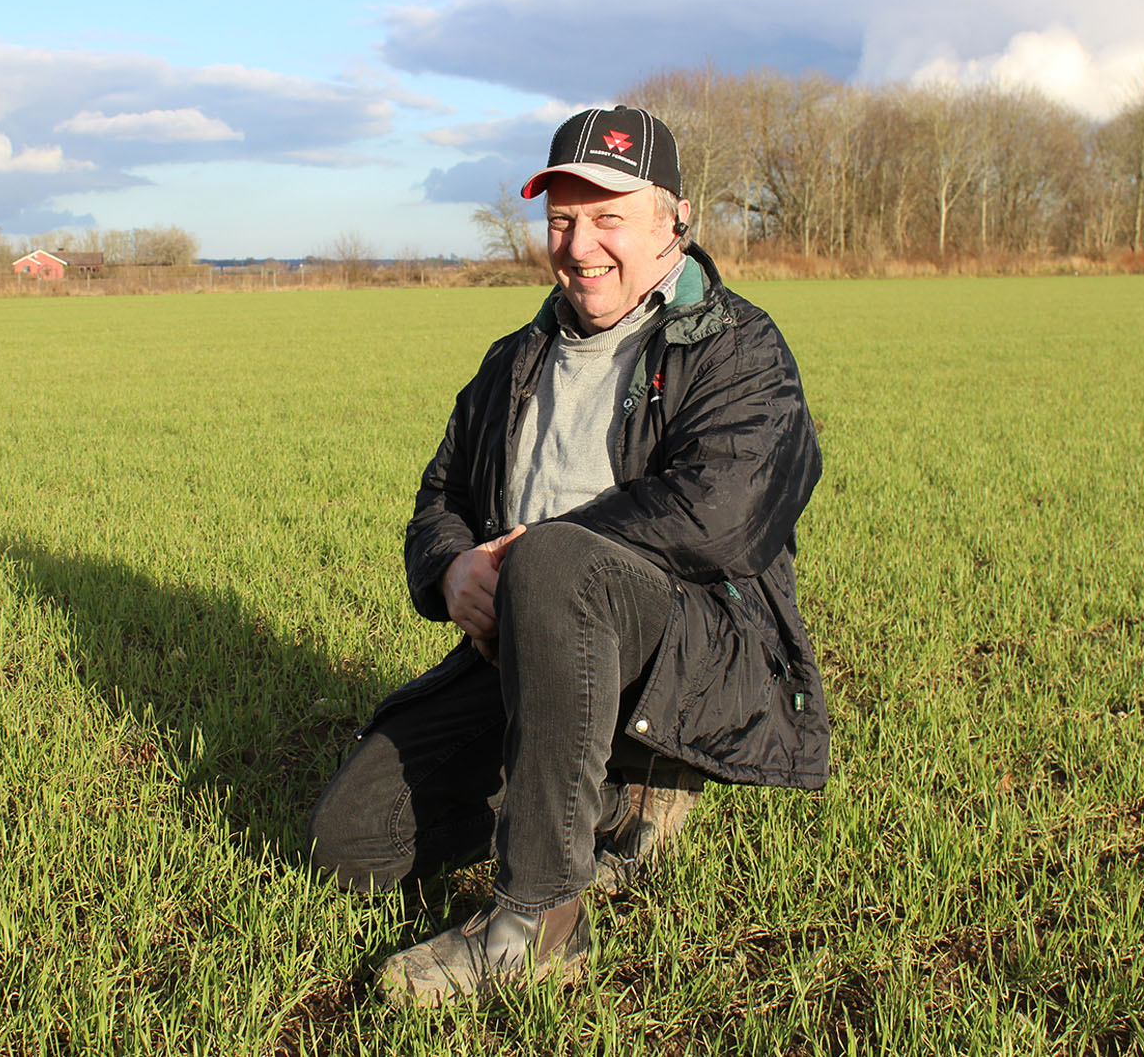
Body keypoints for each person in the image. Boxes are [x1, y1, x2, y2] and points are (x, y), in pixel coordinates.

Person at [307, 105, 828, 1007]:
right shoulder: (516, 358)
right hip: (522, 646)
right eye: (561, 218)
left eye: (609, 216)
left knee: (555, 562)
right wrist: (454, 569)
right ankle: (599, 798)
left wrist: (538, 552)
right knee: (350, 844)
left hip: (683, 656)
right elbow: (440, 502)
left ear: (674, 218)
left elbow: (727, 516)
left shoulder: (739, 348)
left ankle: (539, 918)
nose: (580, 244)